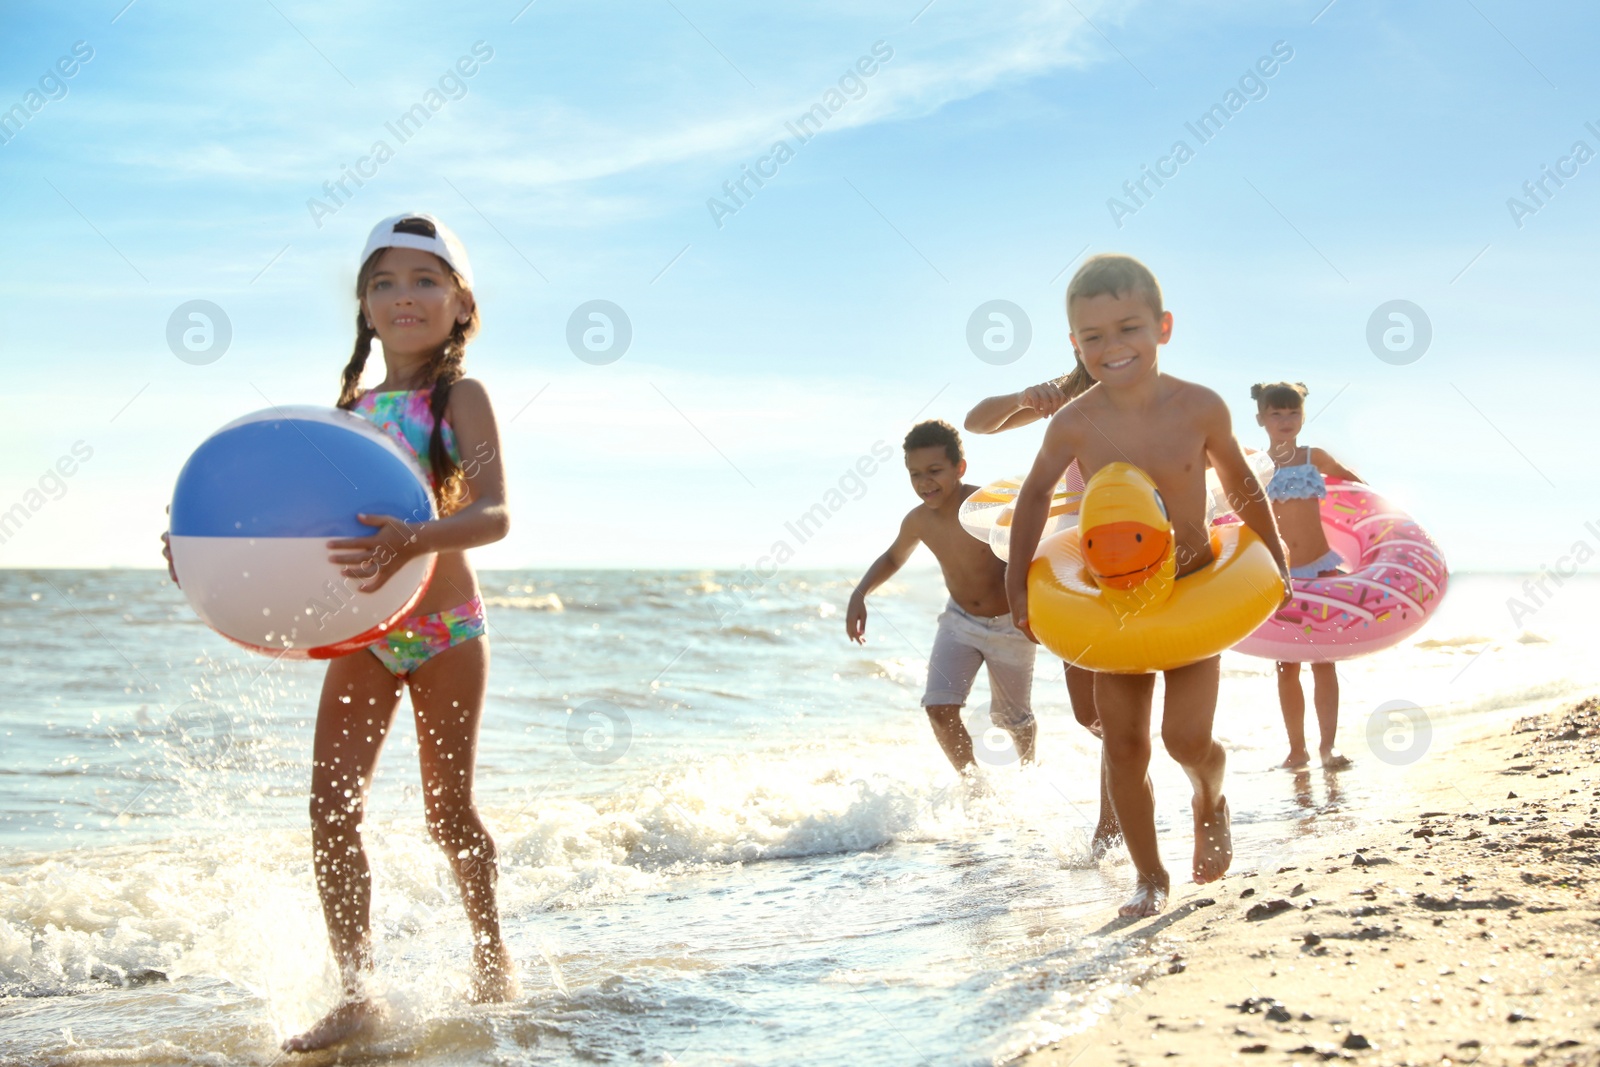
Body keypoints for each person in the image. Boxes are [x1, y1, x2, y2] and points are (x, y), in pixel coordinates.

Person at [162, 213, 517, 1051]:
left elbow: (496, 515)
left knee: (447, 811)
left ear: (462, 304)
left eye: (426, 280)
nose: (405, 296)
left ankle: (492, 952)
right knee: (330, 808)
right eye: (385, 282)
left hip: (442, 627)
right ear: (363, 304)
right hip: (364, 632)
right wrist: (205, 556)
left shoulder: (458, 397)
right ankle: (359, 990)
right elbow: (295, 526)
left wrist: (416, 538)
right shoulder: (347, 412)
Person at [1004, 254, 1291, 918]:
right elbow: (1033, 496)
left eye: (1127, 328)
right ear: (1075, 344)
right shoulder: (1073, 421)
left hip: (1192, 596)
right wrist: (1019, 588)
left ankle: (1209, 797)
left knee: (1186, 739)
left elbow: (1242, 488)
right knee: (1123, 742)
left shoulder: (1199, 407)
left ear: (1163, 327)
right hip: (1116, 604)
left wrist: (1276, 559)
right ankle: (1149, 876)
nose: (1112, 347)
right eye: (1093, 336)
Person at [966, 366, 1120, 853]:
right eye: (1091, 335)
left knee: (1116, 702)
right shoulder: (1066, 394)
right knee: (1087, 713)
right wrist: (1023, 397)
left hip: (1128, 539)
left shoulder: (1145, 394)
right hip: (1073, 547)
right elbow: (977, 423)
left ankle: (1113, 819)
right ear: (1076, 341)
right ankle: (1127, 764)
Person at [846, 420, 1038, 772]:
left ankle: (1030, 775)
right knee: (938, 708)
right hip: (959, 620)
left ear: (959, 468)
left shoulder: (989, 505)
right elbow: (893, 557)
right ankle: (975, 787)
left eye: (934, 471)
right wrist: (860, 594)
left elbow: (1033, 547)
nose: (924, 482)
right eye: (915, 474)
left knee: (1012, 720)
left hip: (1011, 624)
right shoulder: (919, 521)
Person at [1251, 381, 1361, 770]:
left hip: (1320, 568)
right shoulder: (1256, 464)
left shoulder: (1315, 456)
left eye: (1293, 413)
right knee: (1286, 667)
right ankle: (1296, 748)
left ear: (1302, 416)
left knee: (1324, 662)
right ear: (1261, 418)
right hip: (1279, 573)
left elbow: (1356, 486)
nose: (1285, 420)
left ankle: (1327, 747)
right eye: (1276, 414)